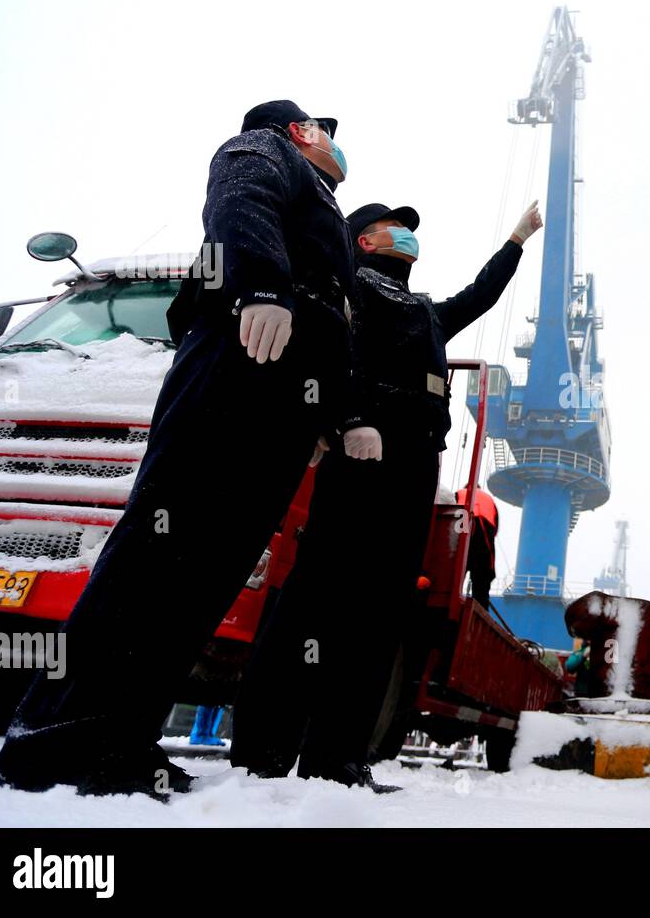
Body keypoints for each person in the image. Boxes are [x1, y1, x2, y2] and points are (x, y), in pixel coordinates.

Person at [0, 100, 356, 799]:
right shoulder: (262, 149)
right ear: (300, 130)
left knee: (206, 572)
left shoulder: (327, 210)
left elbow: (336, 317)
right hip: (239, 358)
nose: (338, 146)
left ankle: (120, 739)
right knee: (158, 556)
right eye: (327, 133)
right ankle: (52, 740)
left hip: (283, 390)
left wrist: (323, 416)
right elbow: (238, 199)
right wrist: (263, 286)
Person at [229, 199, 544, 792]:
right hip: (360, 458)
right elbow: (328, 354)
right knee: (315, 601)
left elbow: (478, 296)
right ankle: (263, 750)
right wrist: (347, 419)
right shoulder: (346, 288)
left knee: (377, 615)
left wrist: (515, 242)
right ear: (364, 242)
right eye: (393, 227)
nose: (406, 235)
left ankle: (338, 758)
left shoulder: (423, 310)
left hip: (414, 471)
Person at [456, 485, 498, 608]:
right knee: (482, 577)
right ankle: (480, 605)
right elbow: (495, 529)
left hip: (461, 523)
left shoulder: (459, 493)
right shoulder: (489, 500)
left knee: (455, 570)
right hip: (482, 533)